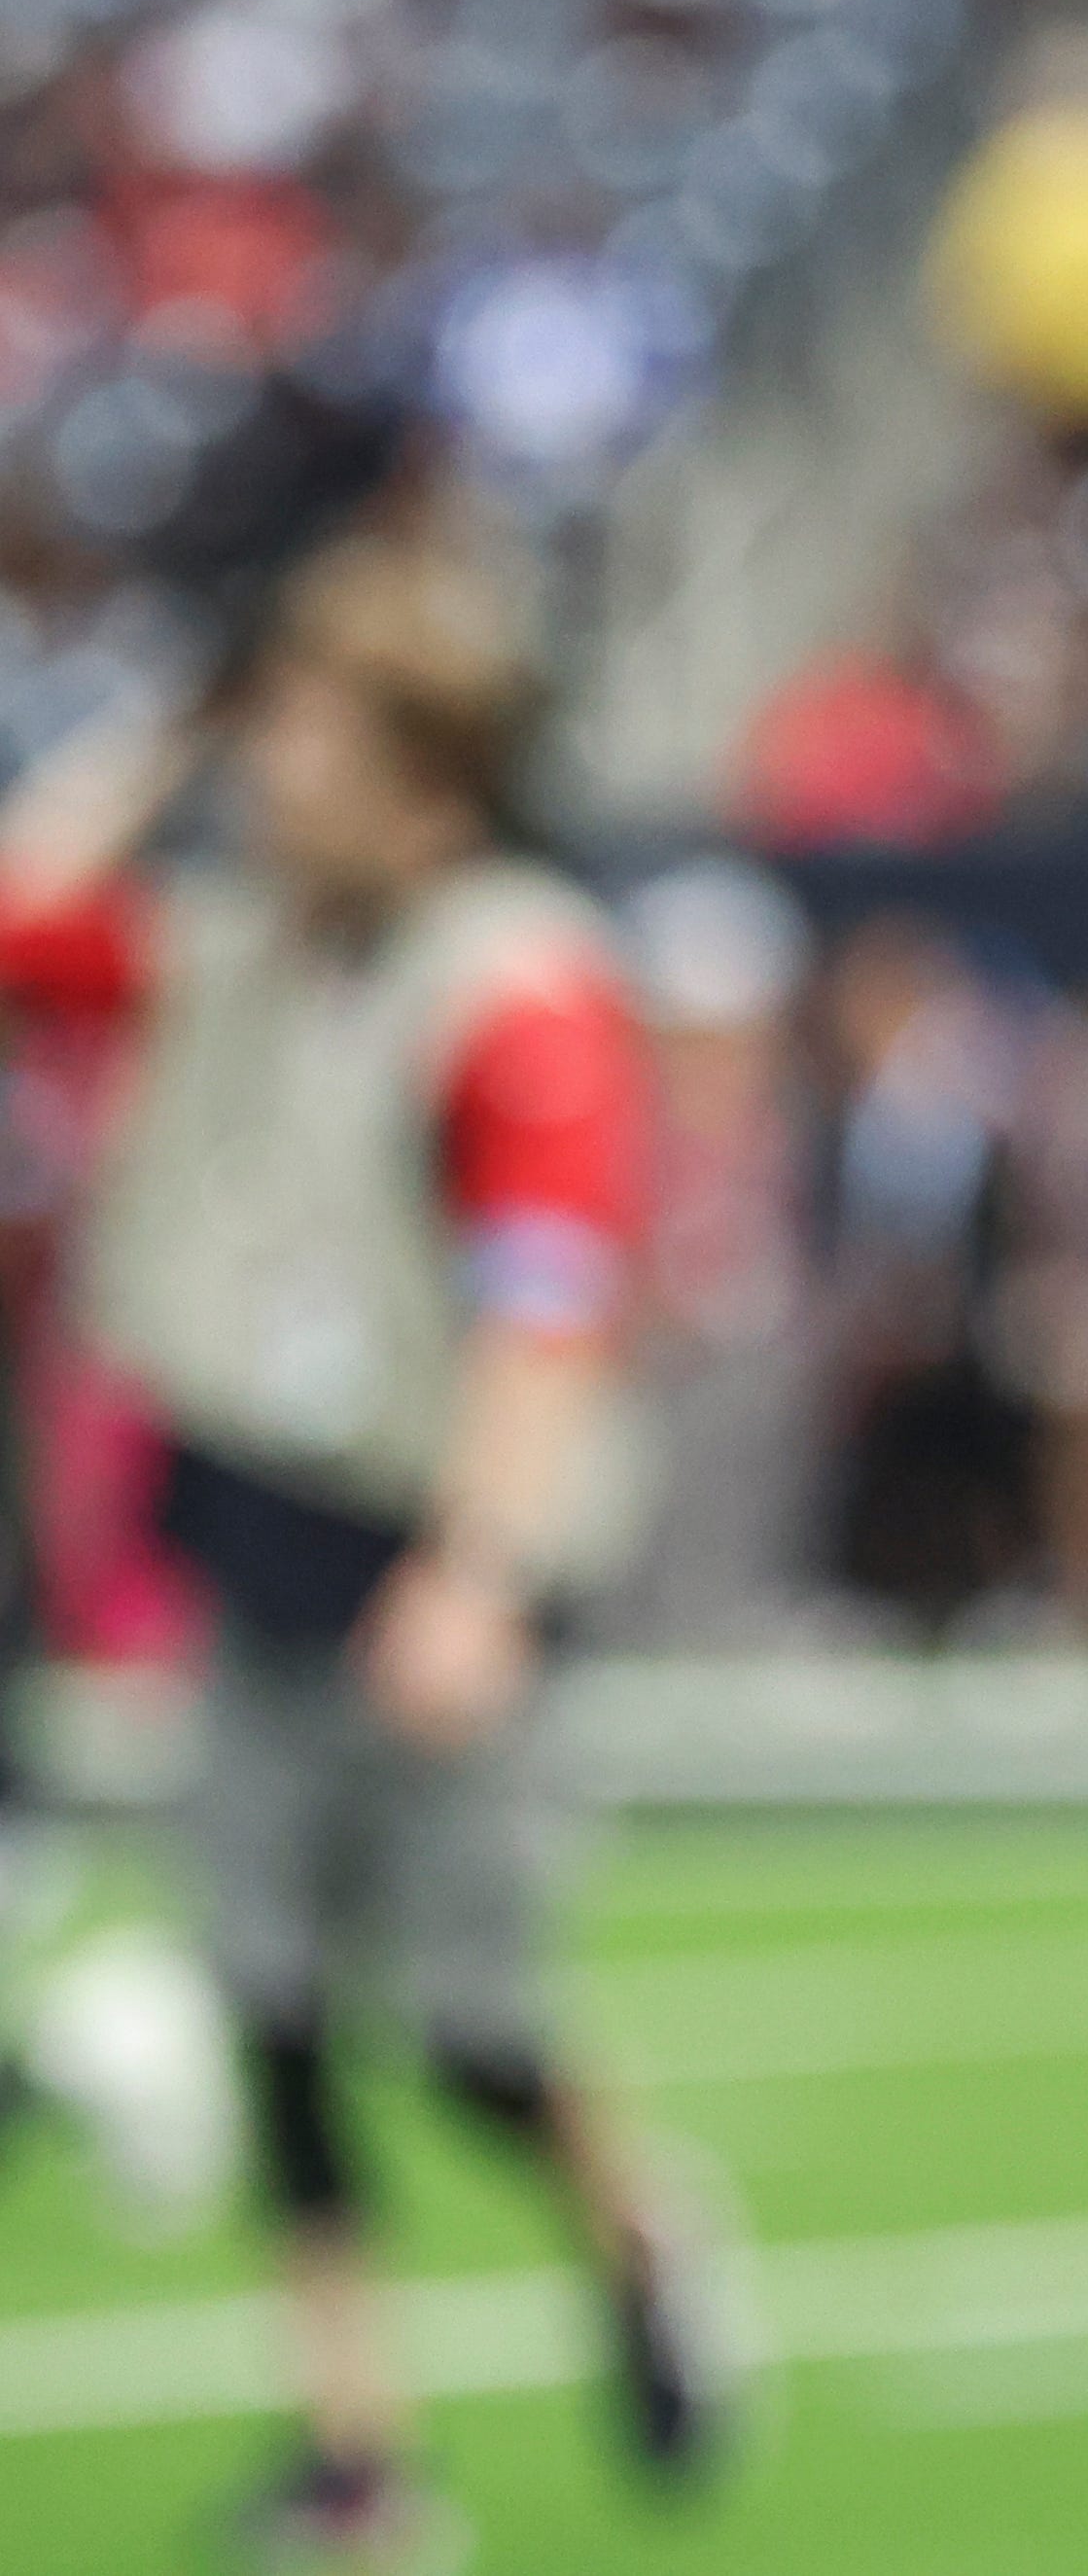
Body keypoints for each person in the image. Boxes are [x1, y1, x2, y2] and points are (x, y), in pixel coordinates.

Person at [0, 538, 725, 2568]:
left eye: (316, 728)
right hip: (260, 1522)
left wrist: (479, 1568)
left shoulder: (514, 983)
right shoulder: (231, 932)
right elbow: (18, 910)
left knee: (474, 2028)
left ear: (428, 777)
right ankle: (356, 2452)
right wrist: (181, 711)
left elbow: (548, 1299)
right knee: (273, 1999)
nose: (276, 764)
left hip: (439, 1545)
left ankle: (641, 2227)